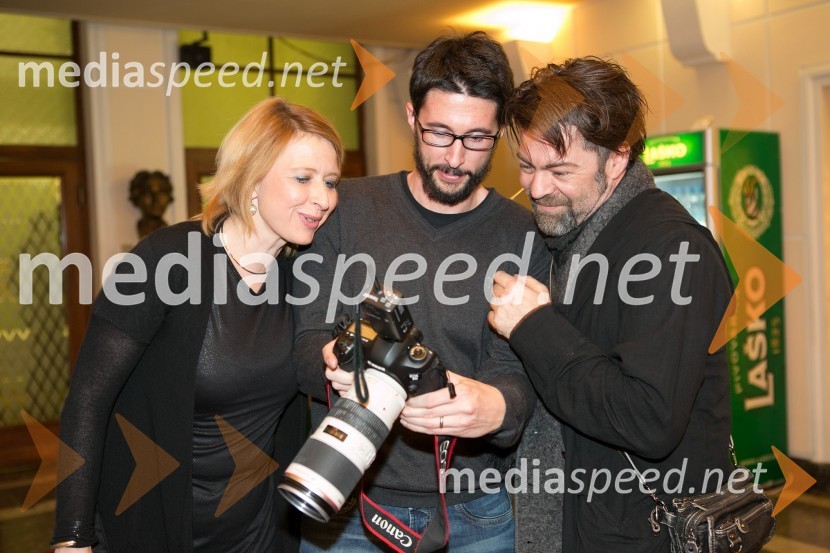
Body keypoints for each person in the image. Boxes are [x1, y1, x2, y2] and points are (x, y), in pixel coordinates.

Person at [293, 32, 549, 552]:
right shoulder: (344, 211)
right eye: (439, 133)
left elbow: (521, 374)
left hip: (475, 509)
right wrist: (335, 363)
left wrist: (498, 407)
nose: (455, 158)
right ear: (411, 117)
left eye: (477, 139)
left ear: (499, 133)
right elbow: (302, 343)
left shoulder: (524, 235)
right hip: (346, 504)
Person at [51, 97, 343, 553]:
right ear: (251, 176)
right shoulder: (165, 260)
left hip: (260, 533)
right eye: (303, 178)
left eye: (330, 182)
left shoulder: (306, 276)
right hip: (155, 523)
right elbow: (88, 401)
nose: (323, 198)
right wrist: (72, 536)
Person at [487, 57, 734, 551]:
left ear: (617, 159)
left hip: (648, 534)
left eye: (560, 169)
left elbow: (648, 418)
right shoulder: (569, 240)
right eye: (527, 166)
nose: (537, 188)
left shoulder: (671, 250)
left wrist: (534, 326)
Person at [129, 170, 174, 238]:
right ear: (137, 196)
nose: (156, 200)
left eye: (161, 193)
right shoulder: (123, 233)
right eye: (148, 194)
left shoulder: (176, 234)